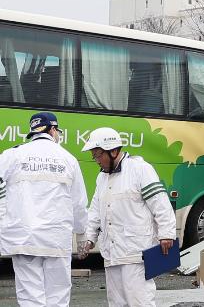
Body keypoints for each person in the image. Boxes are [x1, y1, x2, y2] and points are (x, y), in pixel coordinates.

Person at [80, 127, 176, 307]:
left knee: (140, 301)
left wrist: (166, 234)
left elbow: (160, 202)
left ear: (113, 150)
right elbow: (95, 211)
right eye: (94, 156)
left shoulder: (140, 169)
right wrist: (89, 238)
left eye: (98, 155)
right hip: (111, 253)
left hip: (136, 252)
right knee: (116, 303)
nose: (96, 160)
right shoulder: (102, 178)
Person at [0, 112, 88, 307]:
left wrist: (3, 217)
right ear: (53, 130)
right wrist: (81, 234)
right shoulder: (68, 159)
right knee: (58, 296)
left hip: (23, 238)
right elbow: (79, 203)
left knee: (30, 297)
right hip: (56, 239)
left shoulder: (13, 154)